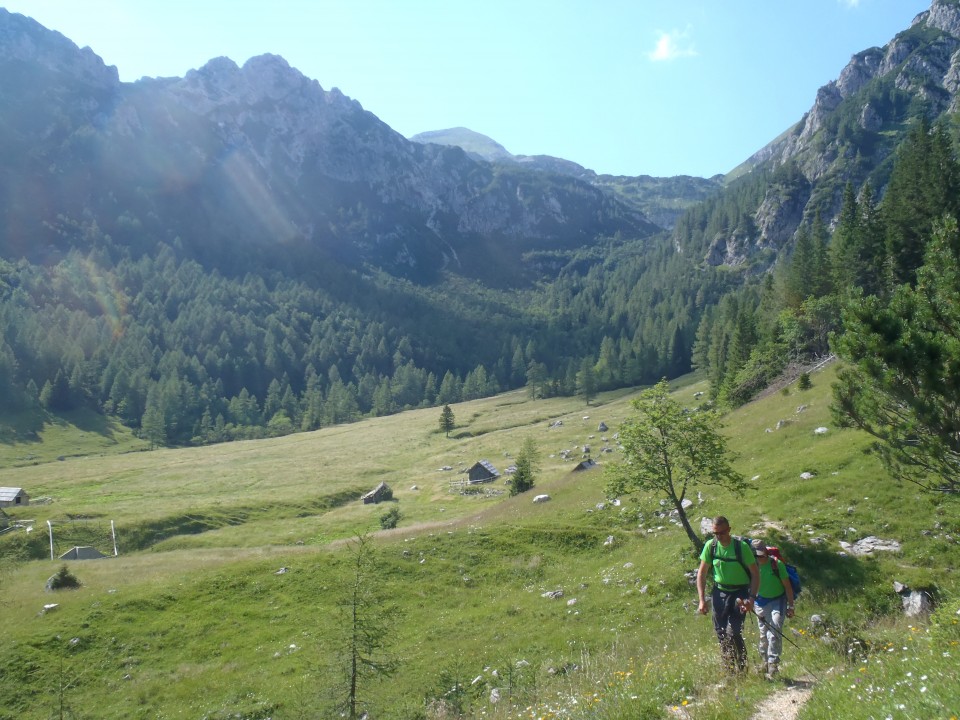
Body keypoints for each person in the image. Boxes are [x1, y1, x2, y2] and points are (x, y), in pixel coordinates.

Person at [696, 516, 760, 673]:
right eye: (715, 533)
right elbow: (702, 573)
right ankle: (730, 671)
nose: (719, 536)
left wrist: (751, 598)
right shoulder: (710, 547)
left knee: (734, 631)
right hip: (720, 593)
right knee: (721, 633)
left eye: (722, 532)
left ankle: (742, 666)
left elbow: (755, 574)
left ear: (729, 530)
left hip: (740, 593)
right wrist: (702, 600)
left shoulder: (741, 547)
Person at [750, 539, 795, 679]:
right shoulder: (752, 566)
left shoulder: (776, 564)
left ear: (766, 552)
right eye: (757, 556)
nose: (760, 558)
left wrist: (791, 605)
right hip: (760, 603)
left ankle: (773, 664)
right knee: (763, 634)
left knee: (774, 629)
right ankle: (764, 662)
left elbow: (787, 586)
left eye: (762, 555)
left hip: (778, 601)